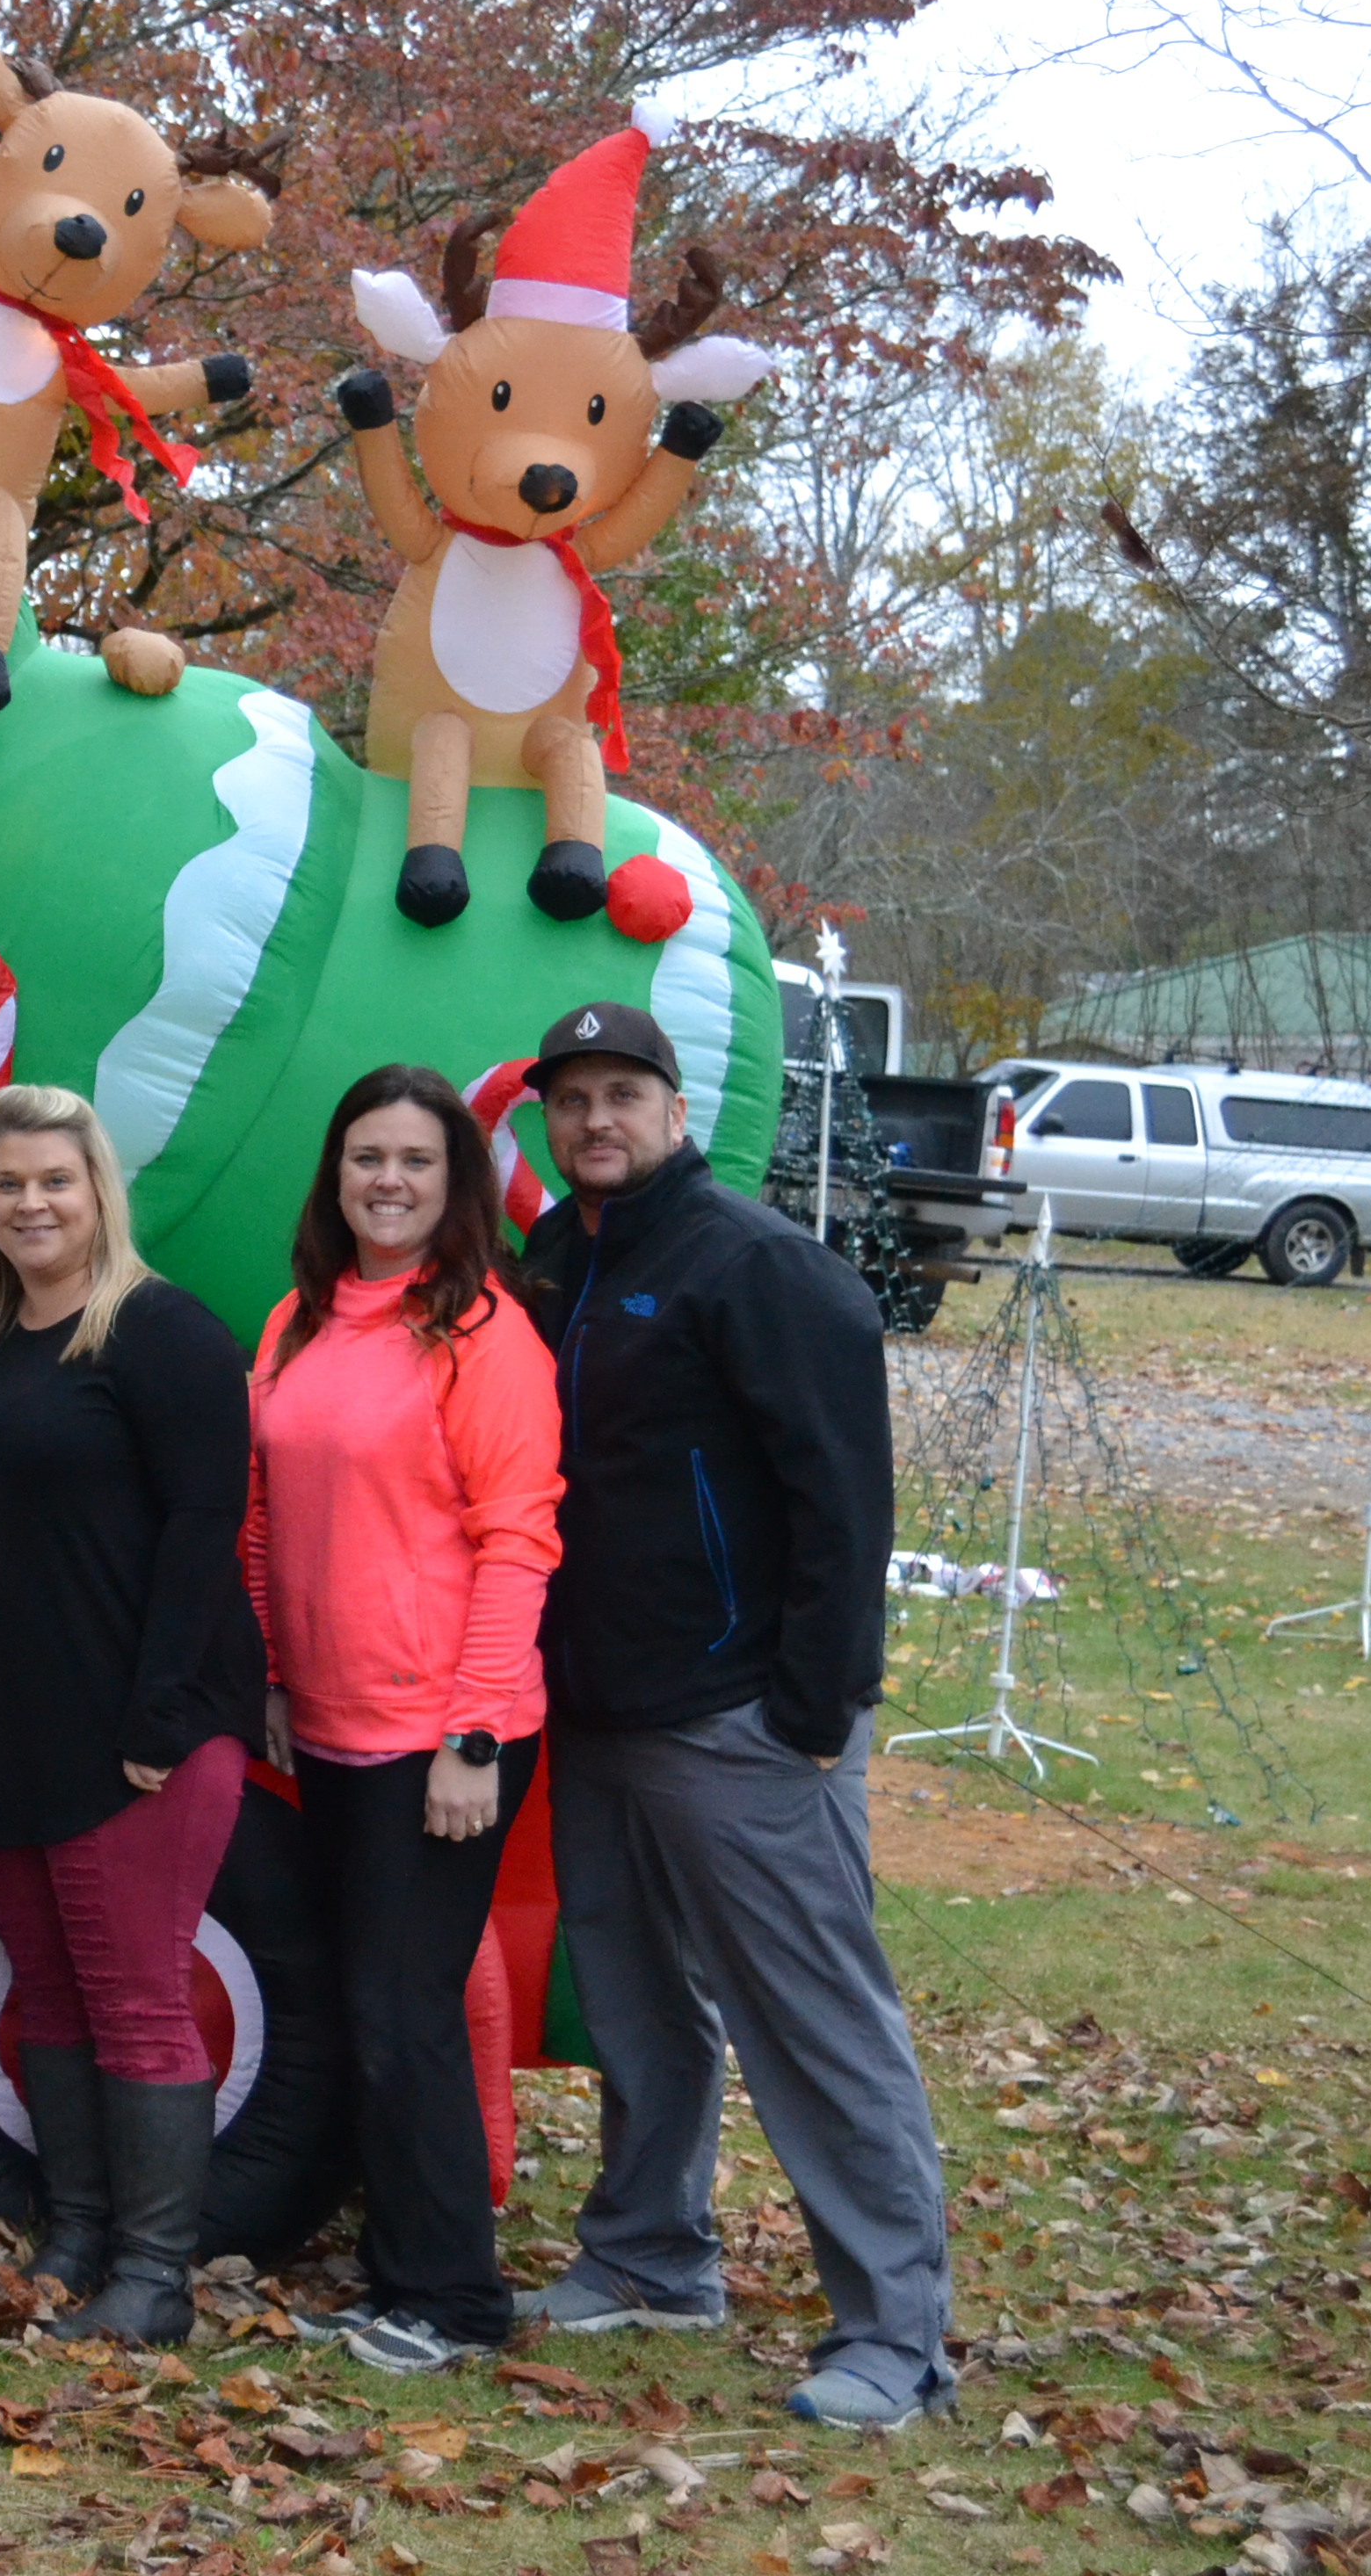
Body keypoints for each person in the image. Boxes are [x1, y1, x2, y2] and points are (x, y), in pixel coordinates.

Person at [511, 1001, 954, 2430]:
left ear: (674, 1106)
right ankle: (650, 2256)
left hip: (743, 1718)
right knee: (637, 2007)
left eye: (620, 1094)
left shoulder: (759, 1266)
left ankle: (895, 2336)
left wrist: (815, 1706)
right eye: (570, 1098)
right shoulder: (556, 1257)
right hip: (599, 1709)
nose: (594, 1120)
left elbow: (843, 1498)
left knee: (814, 2024)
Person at [0, 1084, 266, 2347]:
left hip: (140, 1727)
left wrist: (160, 1713)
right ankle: (75, 2233)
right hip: (10, 1724)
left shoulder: (162, 1331)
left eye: (55, 1180)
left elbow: (206, 1524)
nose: (31, 1204)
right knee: (51, 1997)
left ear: (99, 1190)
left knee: (134, 1994)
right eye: (8, 1184)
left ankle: (155, 2275)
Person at [243, 1067, 563, 2374]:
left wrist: (474, 1735)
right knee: (365, 2006)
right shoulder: (300, 1320)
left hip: (441, 1736)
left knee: (404, 2008)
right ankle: (400, 2274)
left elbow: (518, 1541)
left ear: (456, 1183)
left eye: (416, 1161)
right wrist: (272, 1672)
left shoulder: (486, 1336)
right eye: (366, 1157)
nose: (388, 1181)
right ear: (336, 1175)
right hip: (327, 1724)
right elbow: (265, 1513)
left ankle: (456, 2301)